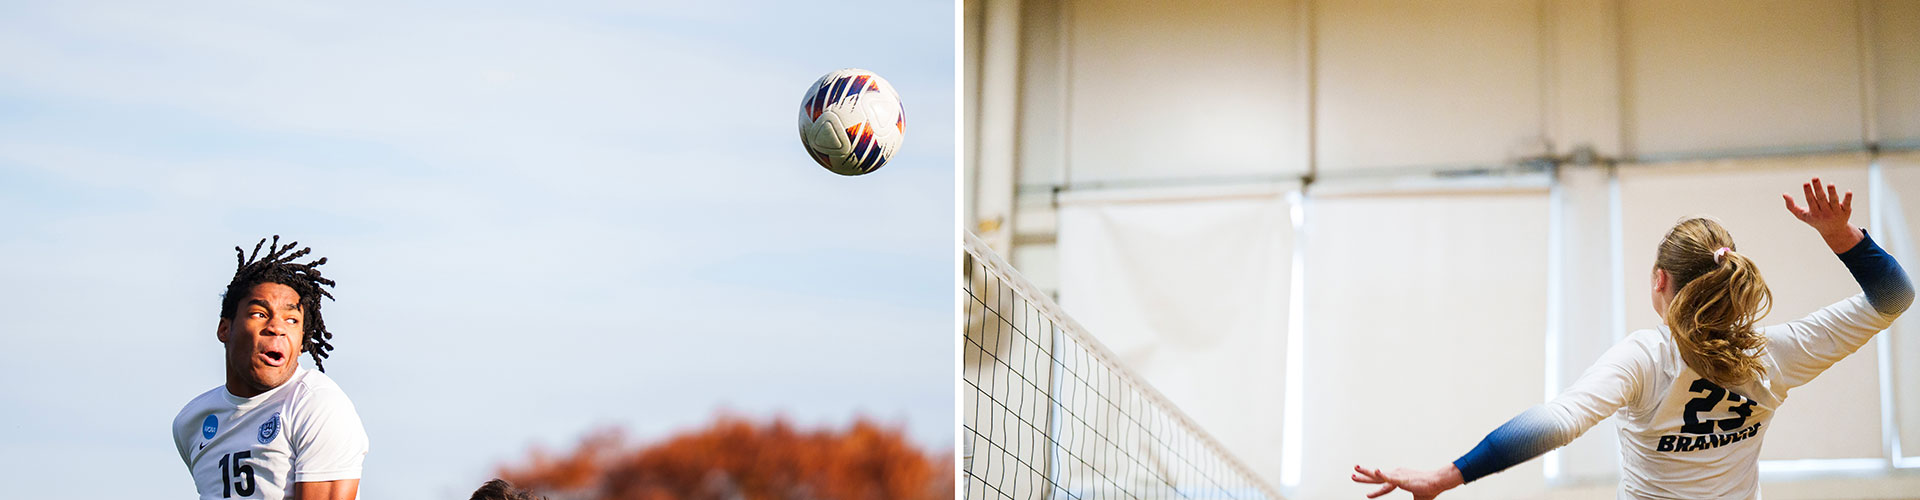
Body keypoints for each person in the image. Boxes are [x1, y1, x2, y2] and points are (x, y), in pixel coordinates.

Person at [1352, 178, 1913, 499]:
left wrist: (1449, 475)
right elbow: (1894, 296)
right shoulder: (1774, 354)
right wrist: (1843, 237)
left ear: (1659, 281)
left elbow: (1559, 420)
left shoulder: (1648, 358)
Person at [172, 236, 370, 500]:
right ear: (224, 328)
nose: (277, 327)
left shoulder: (316, 404)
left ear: (302, 342)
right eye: (260, 314)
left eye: (291, 320)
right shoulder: (191, 421)